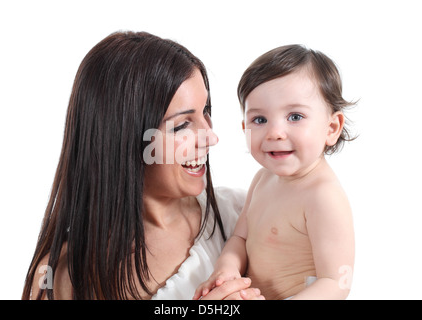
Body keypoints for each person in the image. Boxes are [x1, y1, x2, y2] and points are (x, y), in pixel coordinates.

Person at [22, 31, 264, 300]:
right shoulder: (62, 277)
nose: (211, 137)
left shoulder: (243, 217)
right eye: (183, 125)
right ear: (123, 138)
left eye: (206, 111)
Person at [194, 45, 355, 300]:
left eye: (295, 116)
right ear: (245, 127)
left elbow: (336, 283)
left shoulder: (323, 197)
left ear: (331, 127)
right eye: (260, 120)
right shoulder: (263, 179)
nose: (275, 132)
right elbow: (240, 238)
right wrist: (227, 268)